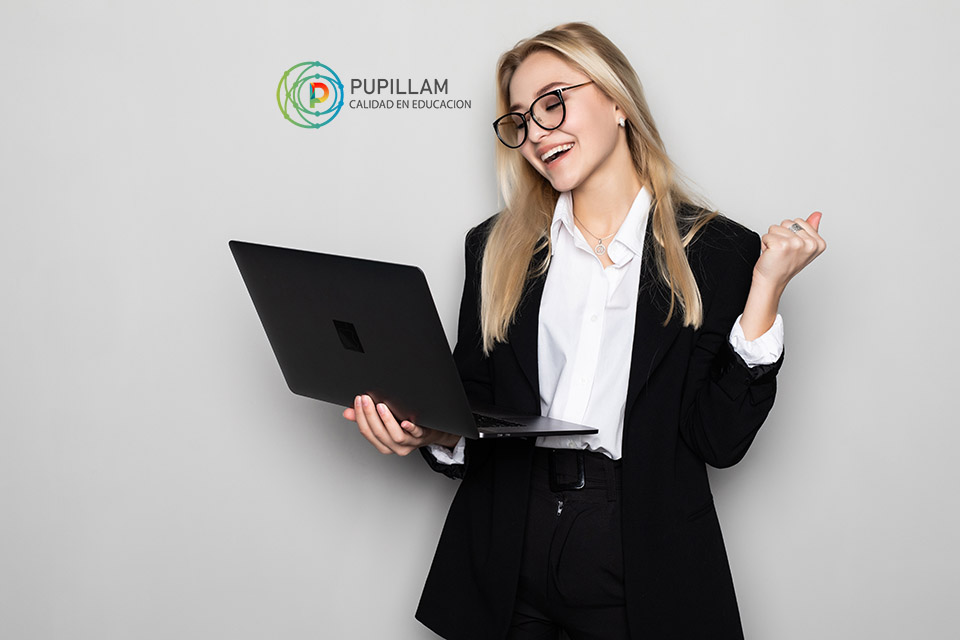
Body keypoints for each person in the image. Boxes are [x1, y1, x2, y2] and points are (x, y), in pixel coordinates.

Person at [342, 22, 825, 640]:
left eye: (552, 102)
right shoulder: (494, 248)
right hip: (506, 540)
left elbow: (718, 439)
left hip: (636, 547)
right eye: (520, 120)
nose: (537, 133)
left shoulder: (717, 251)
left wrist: (765, 290)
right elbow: (477, 404)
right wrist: (427, 429)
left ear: (617, 101)